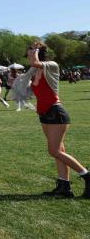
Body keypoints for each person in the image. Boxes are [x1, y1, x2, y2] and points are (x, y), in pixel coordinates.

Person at [23, 42, 90, 198]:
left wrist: (34, 51)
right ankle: (64, 186)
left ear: (38, 52)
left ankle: (86, 174)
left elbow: (34, 61)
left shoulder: (51, 65)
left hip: (55, 112)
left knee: (54, 150)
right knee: (58, 152)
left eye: (29, 52)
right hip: (44, 114)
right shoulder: (34, 71)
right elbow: (32, 89)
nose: (28, 56)